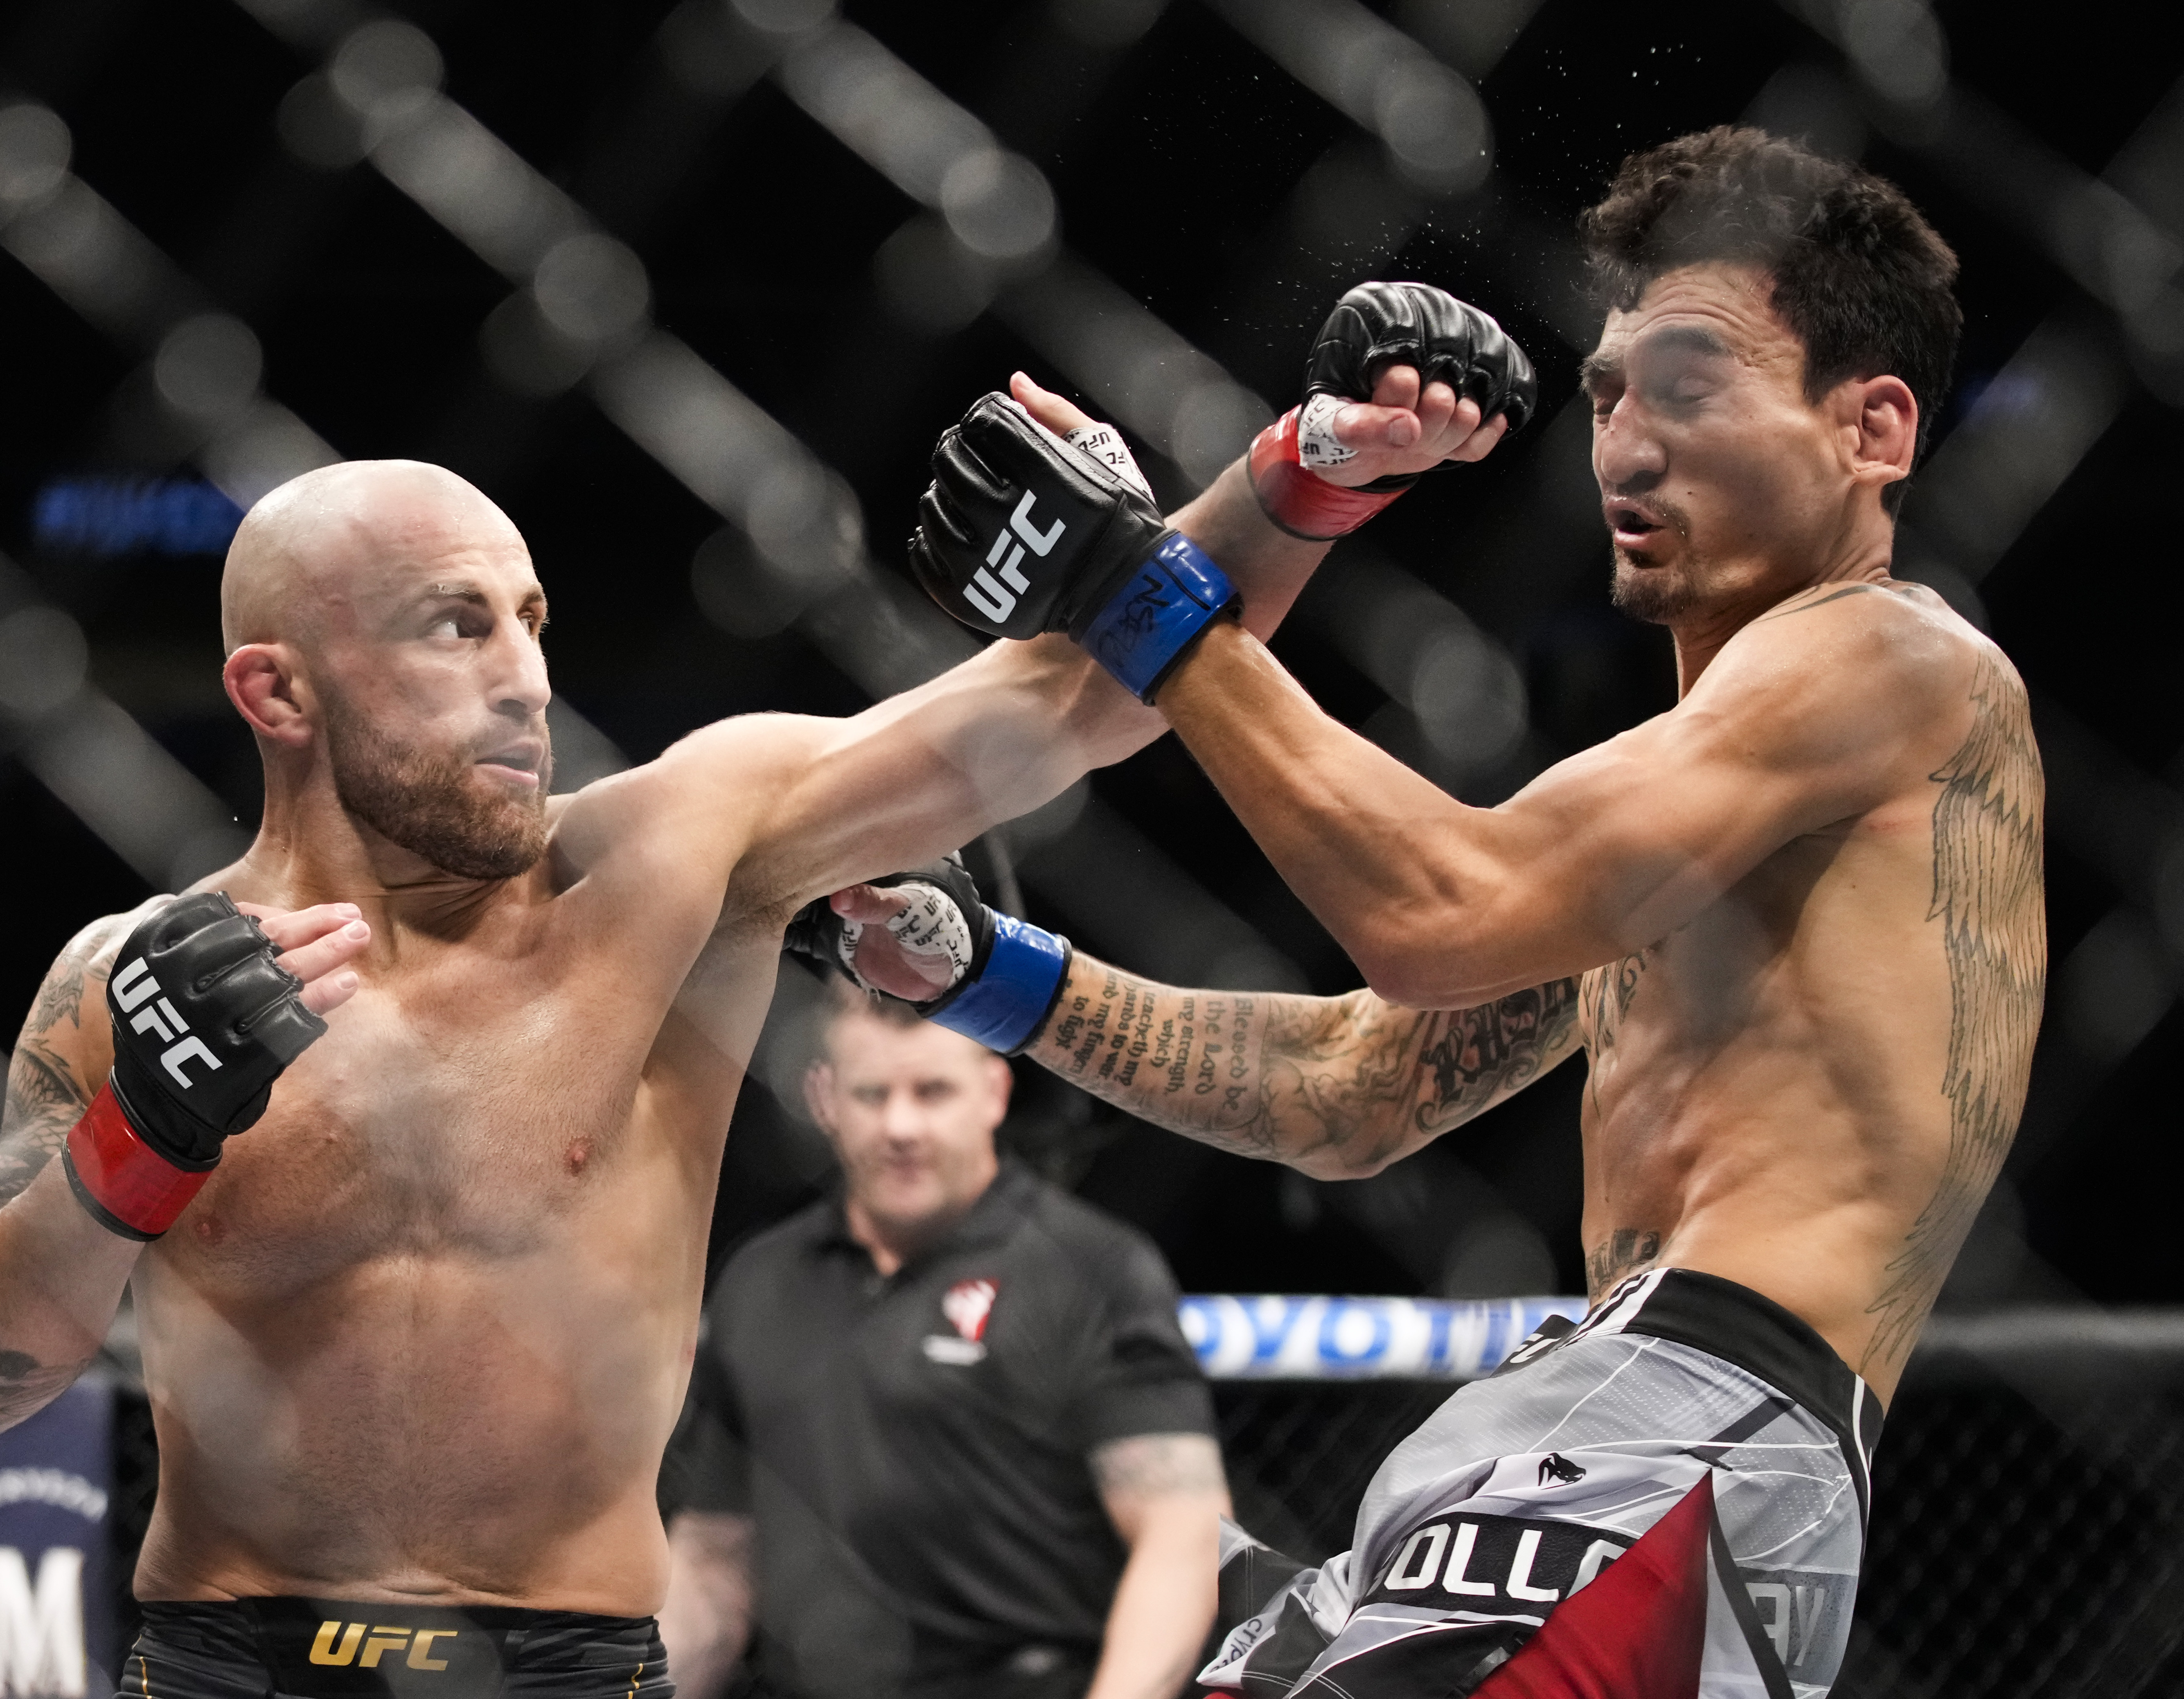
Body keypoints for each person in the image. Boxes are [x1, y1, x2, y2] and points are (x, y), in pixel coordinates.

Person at [0, 275, 1525, 1698]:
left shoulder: (674, 862)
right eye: (455, 629)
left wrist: (1305, 468)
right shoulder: (133, 982)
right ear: (277, 689)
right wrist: (130, 1152)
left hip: (564, 1666)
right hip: (227, 1656)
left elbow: (1075, 705)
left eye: (531, 621)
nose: (525, 680)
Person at [842, 128, 2042, 1698]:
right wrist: (987, 974)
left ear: (1871, 427)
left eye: (1687, 386)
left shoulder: (1894, 666)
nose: (1622, 443)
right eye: (1608, 393)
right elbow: (1350, 1090)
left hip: (1686, 1435)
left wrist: (1142, 595)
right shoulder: (1687, 799)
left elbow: (1435, 907)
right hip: (1575, 1424)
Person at [659, 983, 1226, 1699]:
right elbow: (713, 1562)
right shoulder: (760, 1279)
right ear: (823, 1099)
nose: (901, 1127)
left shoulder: (1089, 1268)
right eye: (872, 1095)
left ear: (994, 1093)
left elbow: (1184, 1534)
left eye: (932, 1093)